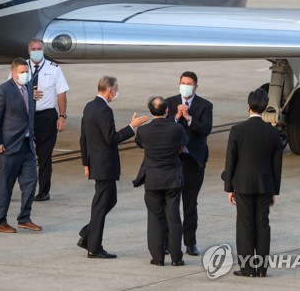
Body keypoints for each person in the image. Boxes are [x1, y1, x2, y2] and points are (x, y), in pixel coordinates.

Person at [78, 76, 148, 259]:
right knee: (102, 204)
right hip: (105, 165)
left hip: (97, 164)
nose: (116, 93)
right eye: (115, 90)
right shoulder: (104, 110)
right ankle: (94, 247)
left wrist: (86, 162)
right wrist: (131, 128)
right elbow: (111, 138)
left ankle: (88, 234)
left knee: (109, 200)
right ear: (110, 91)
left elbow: (83, 137)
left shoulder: (89, 106)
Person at [221, 88, 283, 277]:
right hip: (265, 185)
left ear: (248, 107)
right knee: (263, 225)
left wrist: (229, 187)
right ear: (265, 108)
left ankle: (248, 268)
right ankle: (262, 269)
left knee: (245, 225)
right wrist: (274, 190)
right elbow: (277, 165)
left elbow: (230, 161)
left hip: (243, 184)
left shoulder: (237, 130)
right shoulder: (273, 132)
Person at [0, 58, 42, 233]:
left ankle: (24, 218)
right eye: (22, 72)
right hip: (8, 147)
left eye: (27, 72)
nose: (25, 75)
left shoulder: (28, 89)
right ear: (13, 73)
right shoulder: (3, 91)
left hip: (27, 146)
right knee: (5, 185)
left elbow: (29, 117)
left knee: (31, 182)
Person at [133, 96, 188, 267]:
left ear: (150, 112)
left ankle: (157, 257)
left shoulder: (143, 131)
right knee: (174, 218)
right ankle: (176, 258)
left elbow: (140, 144)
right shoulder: (176, 129)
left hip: (153, 179)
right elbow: (184, 144)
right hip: (172, 178)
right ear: (167, 110)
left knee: (154, 218)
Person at [164, 71, 213, 256]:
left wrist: (189, 118)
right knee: (171, 203)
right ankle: (168, 241)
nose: (185, 86)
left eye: (189, 83)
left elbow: (205, 130)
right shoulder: (169, 102)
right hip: (174, 161)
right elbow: (165, 126)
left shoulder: (205, 105)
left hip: (193, 160)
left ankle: (190, 242)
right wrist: (177, 117)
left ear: (195, 87)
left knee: (190, 204)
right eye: (183, 82)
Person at [26, 38, 69, 202]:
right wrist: (28, 93)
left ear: (43, 50)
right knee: (22, 154)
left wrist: (62, 116)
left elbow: (61, 93)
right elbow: (12, 89)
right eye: (33, 49)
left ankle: (43, 191)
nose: (36, 51)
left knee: (44, 156)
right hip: (26, 115)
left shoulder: (54, 68)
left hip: (46, 116)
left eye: (39, 48)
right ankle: (23, 188)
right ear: (28, 51)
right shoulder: (21, 67)